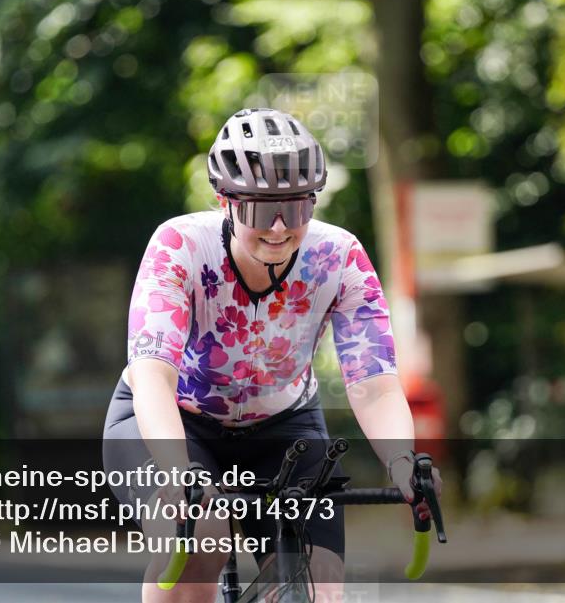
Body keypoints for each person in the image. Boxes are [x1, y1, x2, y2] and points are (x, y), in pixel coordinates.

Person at [103, 107, 441, 602]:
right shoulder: (180, 246)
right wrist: (178, 472)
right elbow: (153, 375)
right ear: (225, 201)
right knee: (204, 534)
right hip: (174, 419)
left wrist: (401, 462)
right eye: (262, 210)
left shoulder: (340, 258)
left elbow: (374, 383)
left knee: (318, 582)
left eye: (298, 207)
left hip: (285, 425)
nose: (280, 228)